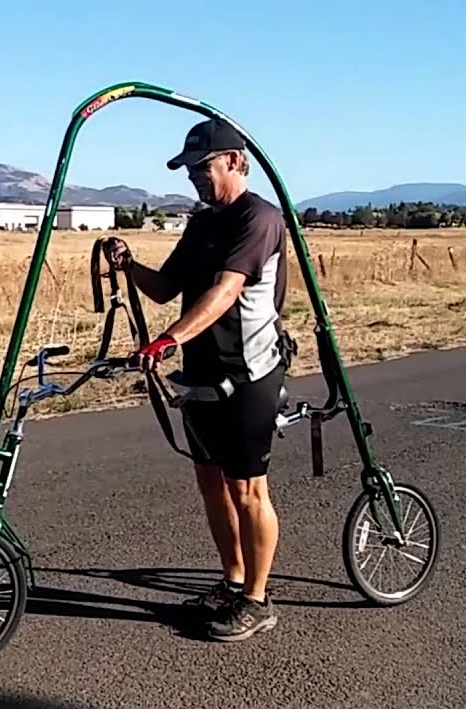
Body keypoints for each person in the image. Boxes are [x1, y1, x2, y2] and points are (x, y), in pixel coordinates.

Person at [105, 117, 290, 642]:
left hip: (249, 374)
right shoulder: (203, 221)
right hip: (202, 375)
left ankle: (257, 599)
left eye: (202, 166)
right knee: (210, 481)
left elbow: (227, 291)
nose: (194, 178)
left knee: (248, 489)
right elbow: (166, 287)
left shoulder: (259, 219)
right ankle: (233, 581)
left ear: (235, 160)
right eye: (189, 170)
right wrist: (129, 264)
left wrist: (167, 341)